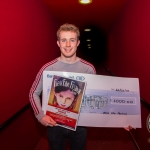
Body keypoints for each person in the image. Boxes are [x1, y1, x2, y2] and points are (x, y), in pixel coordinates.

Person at [29, 23, 96, 150]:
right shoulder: (48, 68)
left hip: (79, 125)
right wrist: (40, 115)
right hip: (54, 125)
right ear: (58, 43)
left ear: (78, 42)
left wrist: (119, 120)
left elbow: (96, 98)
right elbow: (33, 93)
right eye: (63, 40)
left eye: (72, 40)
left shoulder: (89, 69)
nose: (68, 45)